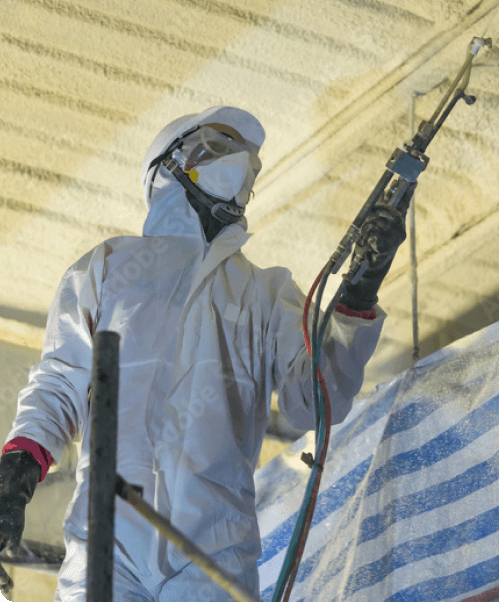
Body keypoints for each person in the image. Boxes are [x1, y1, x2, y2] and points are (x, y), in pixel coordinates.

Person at [0, 106, 409, 601]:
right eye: (216, 145)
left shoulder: (264, 291)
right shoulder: (109, 268)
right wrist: (19, 468)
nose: (237, 162)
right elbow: (60, 383)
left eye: (245, 156)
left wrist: (360, 292)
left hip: (214, 547)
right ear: (168, 167)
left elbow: (313, 400)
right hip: (108, 540)